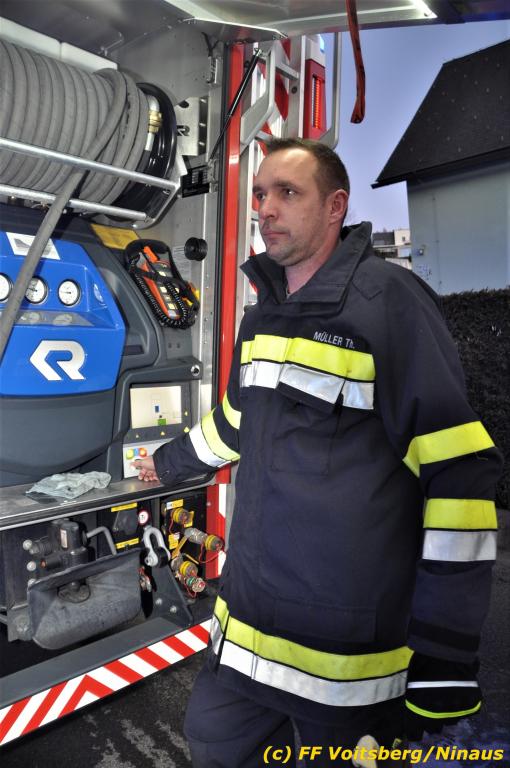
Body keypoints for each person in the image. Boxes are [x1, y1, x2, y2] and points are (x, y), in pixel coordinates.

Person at [133, 138, 502, 767]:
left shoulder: (389, 303)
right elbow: (238, 420)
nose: (265, 208)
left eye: (287, 192)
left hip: (343, 665)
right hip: (247, 636)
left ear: (336, 206)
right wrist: (165, 464)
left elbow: (459, 476)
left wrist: (444, 656)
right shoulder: (262, 318)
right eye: (259, 194)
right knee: (212, 741)